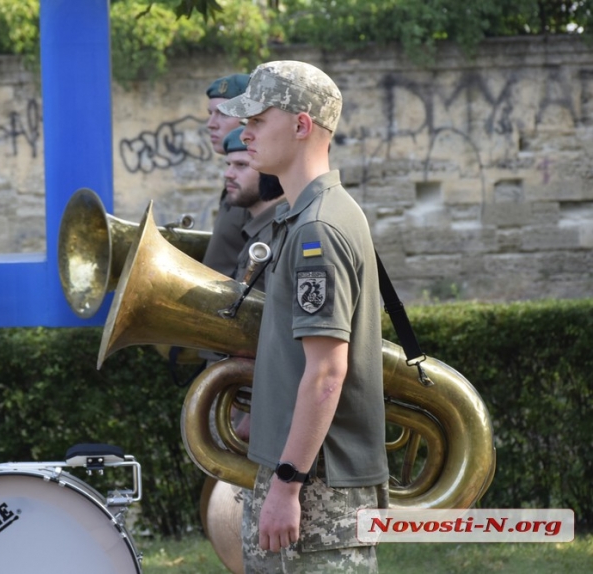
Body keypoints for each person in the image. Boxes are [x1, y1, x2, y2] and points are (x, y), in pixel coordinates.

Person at [218, 61, 390, 573]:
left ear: (300, 126)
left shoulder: (318, 229)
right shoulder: (306, 216)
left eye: (258, 118)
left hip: (315, 491)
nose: (244, 131)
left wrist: (286, 485)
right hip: (302, 480)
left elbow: (325, 374)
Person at [221, 126, 286, 294]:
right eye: (228, 164)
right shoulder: (257, 229)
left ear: (268, 169)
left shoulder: (279, 232)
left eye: (241, 165)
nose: (228, 174)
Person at [202, 73, 252, 277]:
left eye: (223, 114)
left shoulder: (258, 183)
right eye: (210, 113)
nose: (210, 124)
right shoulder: (237, 177)